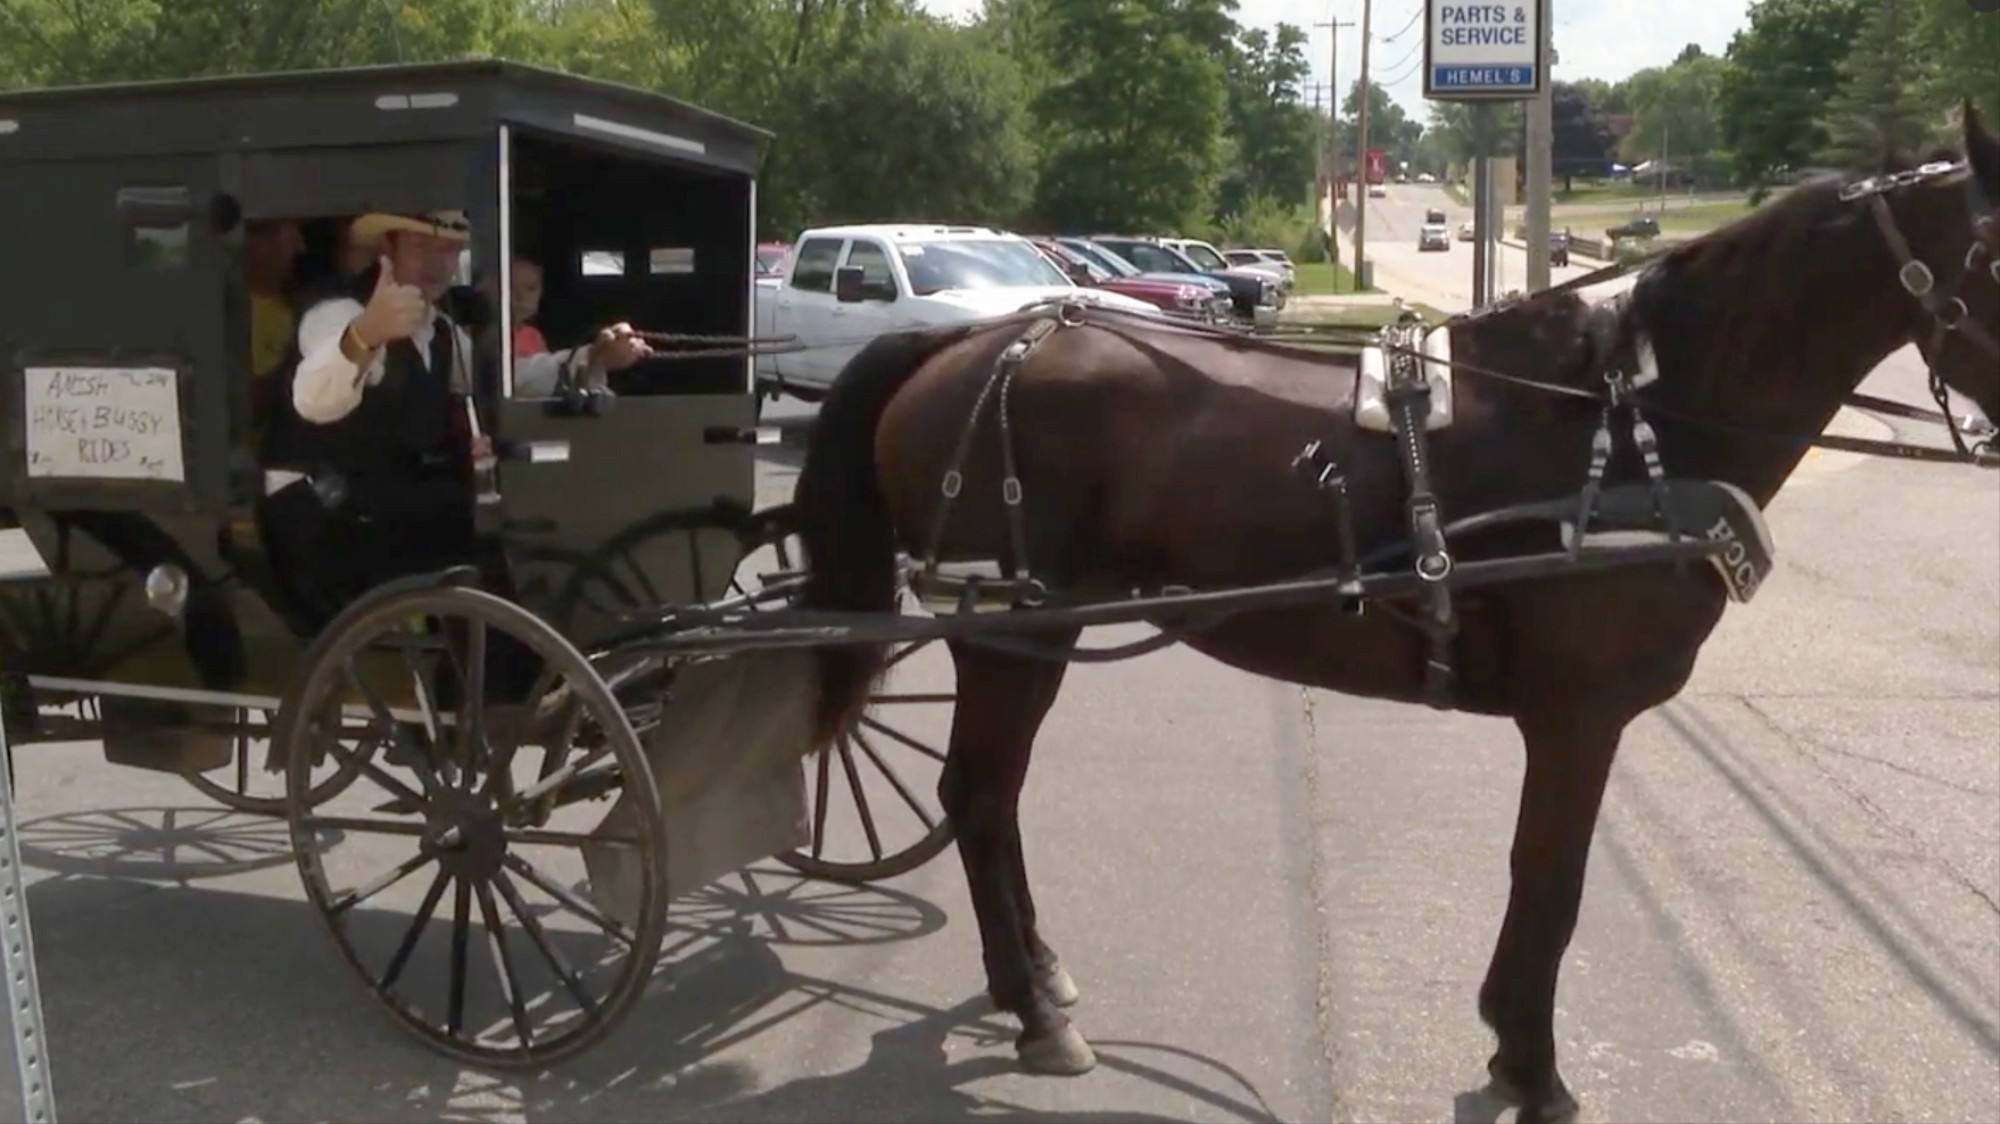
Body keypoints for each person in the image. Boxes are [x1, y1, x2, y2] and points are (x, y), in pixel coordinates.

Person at [257, 208, 652, 625]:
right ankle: (496, 657)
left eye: (448, 250)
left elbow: (505, 381)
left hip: (385, 501)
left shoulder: (440, 330)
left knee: (513, 519)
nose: (437, 262)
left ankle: (539, 647)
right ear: (387, 247)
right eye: (422, 246)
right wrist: (367, 333)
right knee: (479, 532)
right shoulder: (337, 312)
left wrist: (593, 357)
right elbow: (314, 399)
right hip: (320, 512)